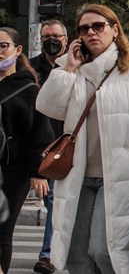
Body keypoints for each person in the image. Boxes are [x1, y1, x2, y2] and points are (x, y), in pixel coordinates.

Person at [35, 3, 129, 273]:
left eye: (99, 26)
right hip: (77, 174)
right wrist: (69, 68)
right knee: (75, 253)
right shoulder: (73, 70)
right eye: (84, 29)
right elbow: (47, 106)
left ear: (114, 29)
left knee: (104, 249)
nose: (91, 32)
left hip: (121, 175)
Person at [0, 27, 53, 272]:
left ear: (17, 50)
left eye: (3, 46)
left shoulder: (29, 89)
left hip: (14, 171)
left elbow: (40, 134)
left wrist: (37, 172)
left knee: (2, 229)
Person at [32, 20, 68, 274]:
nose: (51, 40)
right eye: (46, 36)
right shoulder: (31, 68)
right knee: (54, 203)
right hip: (36, 145)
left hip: (64, 145)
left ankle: (49, 255)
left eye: (56, 36)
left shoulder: (77, 66)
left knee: (55, 202)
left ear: (66, 39)